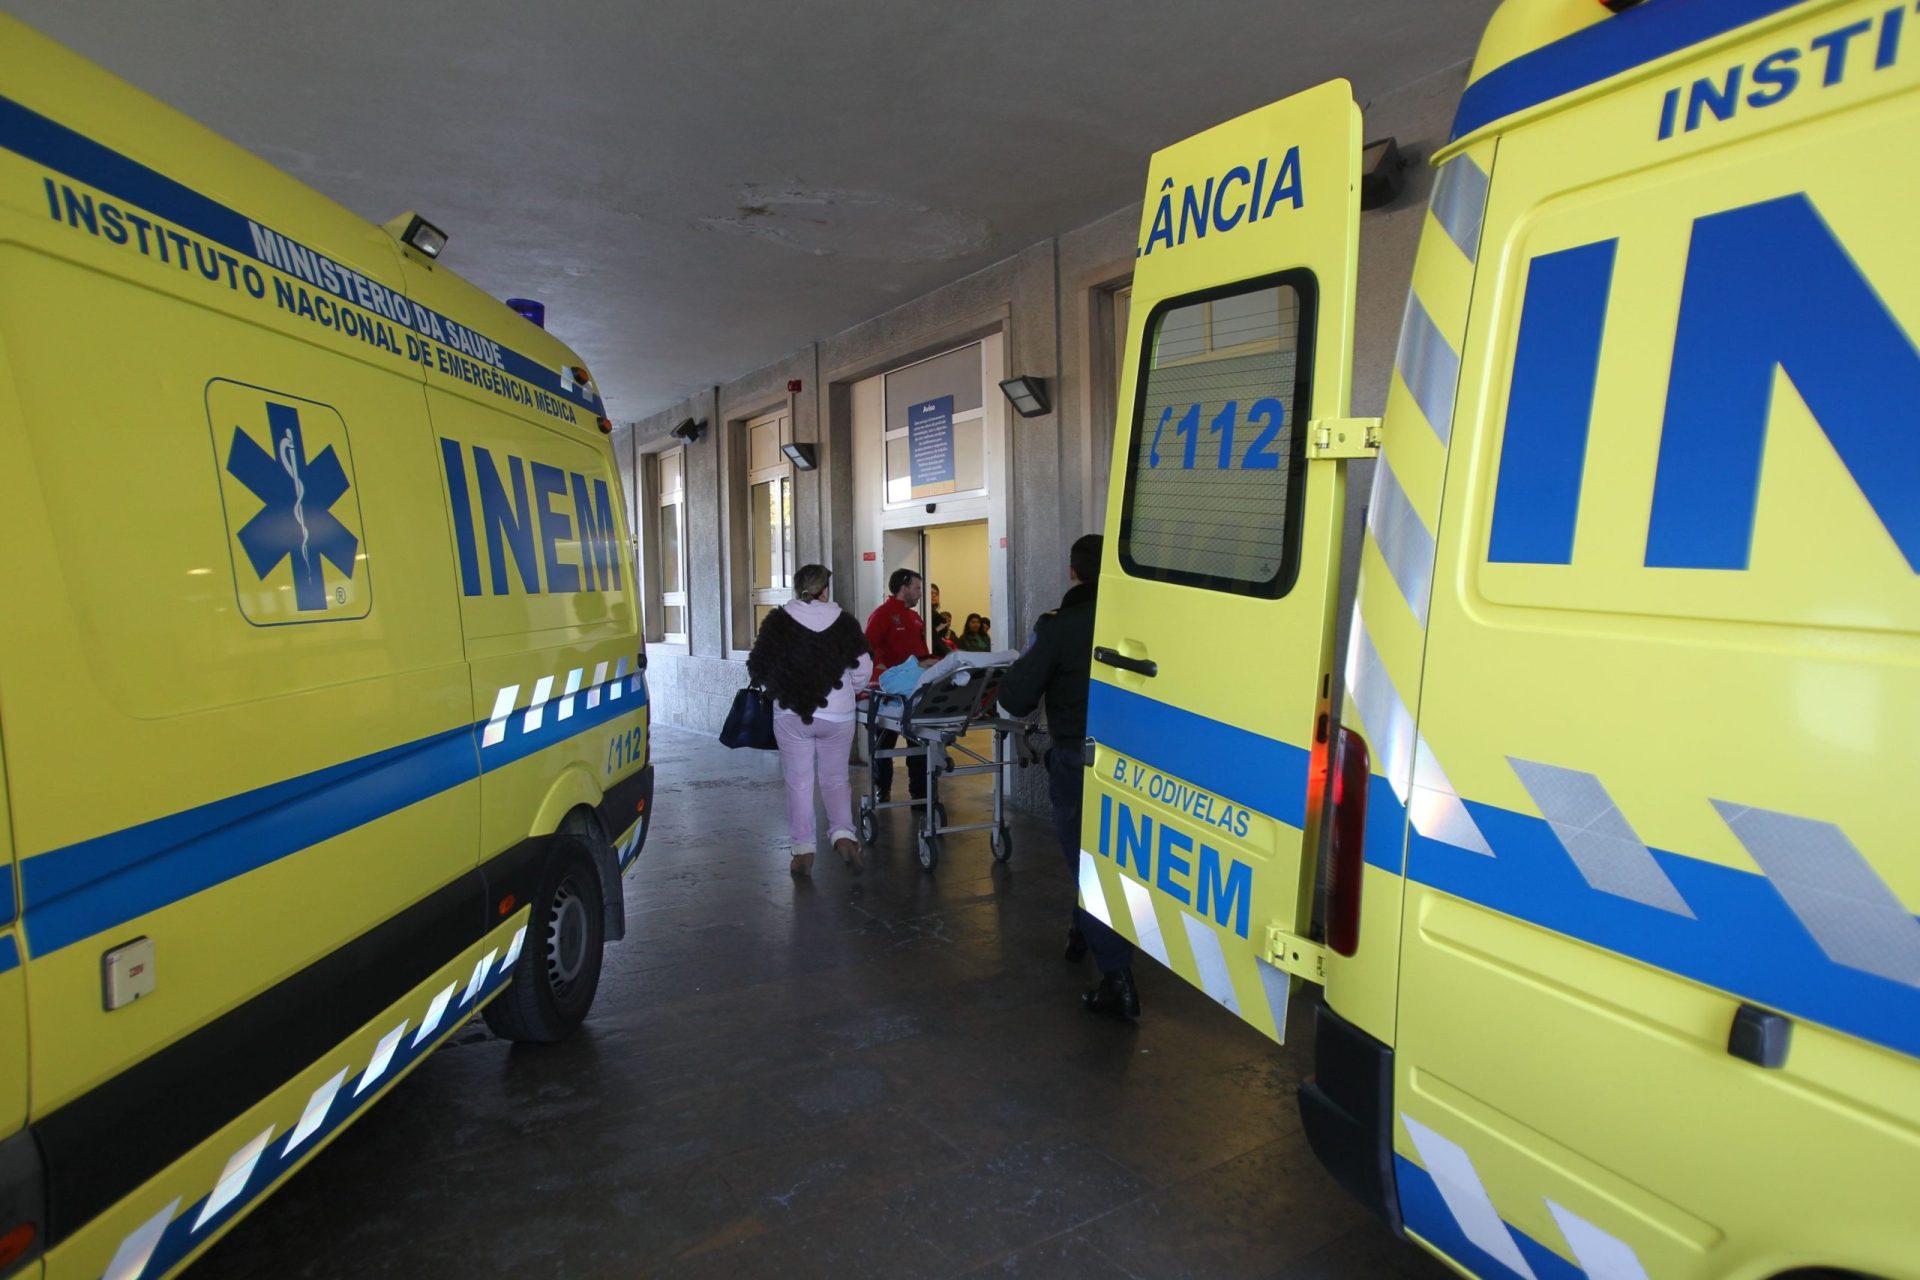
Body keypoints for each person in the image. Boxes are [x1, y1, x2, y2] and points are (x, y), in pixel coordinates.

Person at [997, 534, 1139, 1020]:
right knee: (1123, 863)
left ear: (1073, 573)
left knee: (1088, 865)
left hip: (1080, 765)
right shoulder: (1144, 623)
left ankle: (1117, 977)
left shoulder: (1060, 627)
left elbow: (1015, 698)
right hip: (1140, 768)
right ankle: (1085, 930)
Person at [747, 564, 873, 876]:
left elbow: (758, 667)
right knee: (835, 778)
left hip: (791, 714)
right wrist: (852, 691)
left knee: (799, 782)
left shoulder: (778, 621)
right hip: (838, 715)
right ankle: (844, 835)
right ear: (824, 590)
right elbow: (862, 668)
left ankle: (803, 850)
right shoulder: (844, 622)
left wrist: (780, 686)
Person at [864, 568, 936, 802]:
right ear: (903, 587)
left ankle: (920, 795)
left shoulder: (915, 618)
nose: (920, 594)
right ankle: (881, 790)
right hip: (890, 693)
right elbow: (867, 649)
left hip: (916, 691)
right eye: (917, 588)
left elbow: (922, 653)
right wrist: (880, 671)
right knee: (883, 746)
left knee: (920, 744)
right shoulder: (882, 615)